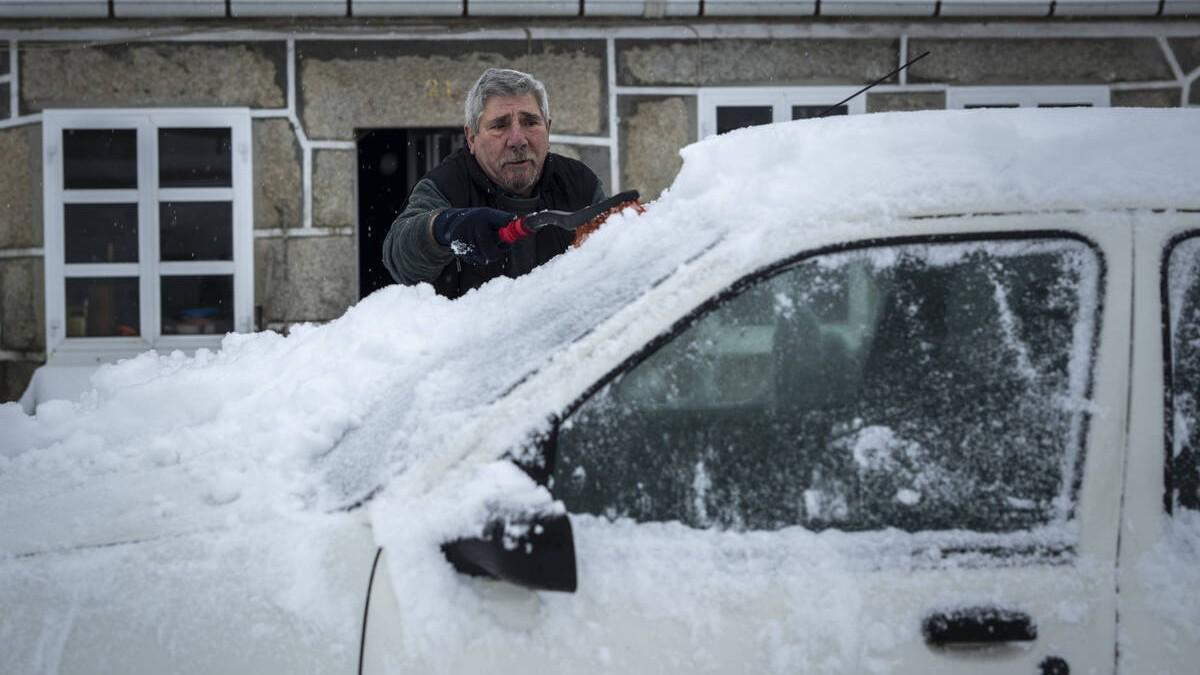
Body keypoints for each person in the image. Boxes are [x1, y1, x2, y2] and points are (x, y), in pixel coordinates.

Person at [382, 68, 607, 299]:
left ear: (548, 129)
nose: (518, 140)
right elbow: (400, 260)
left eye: (530, 122)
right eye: (500, 125)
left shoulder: (580, 184)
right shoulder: (446, 186)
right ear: (471, 138)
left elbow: (614, 257)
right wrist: (444, 227)